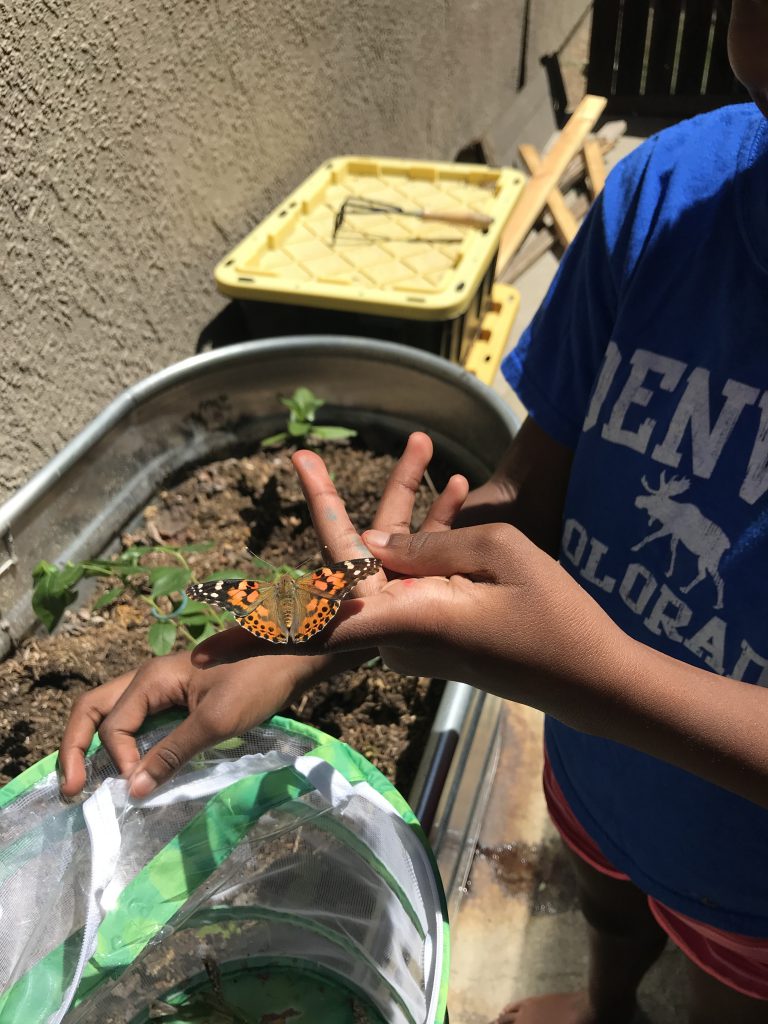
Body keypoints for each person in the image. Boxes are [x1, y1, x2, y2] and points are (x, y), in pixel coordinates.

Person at [58, 2, 768, 1020]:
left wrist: (595, 671)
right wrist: (312, 625)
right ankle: (610, 1003)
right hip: (593, 771)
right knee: (607, 902)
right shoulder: (665, 195)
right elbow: (529, 490)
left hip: (749, 885)